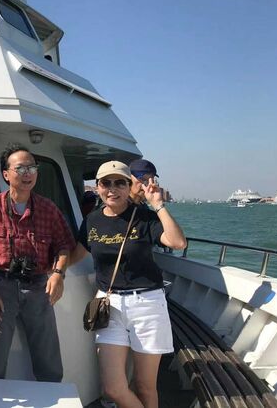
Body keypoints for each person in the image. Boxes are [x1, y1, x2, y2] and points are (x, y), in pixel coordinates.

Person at [71, 161, 187, 408]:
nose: (112, 189)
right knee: (113, 389)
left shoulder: (145, 218)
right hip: (109, 306)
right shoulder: (91, 221)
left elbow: (178, 243)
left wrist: (158, 205)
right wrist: (54, 271)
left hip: (147, 304)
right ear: (98, 187)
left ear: (128, 186)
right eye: (106, 183)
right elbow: (75, 255)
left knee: (145, 387)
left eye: (119, 183)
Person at [0, 143, 75, 382]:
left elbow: (63, 246)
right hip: (2, 287)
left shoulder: (49, 209)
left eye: (32, 168)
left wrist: (58, 274)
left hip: (39, 287)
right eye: (20, 168)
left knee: (48, 360)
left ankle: (51, 397)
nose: (27, 173)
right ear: (6, 174)